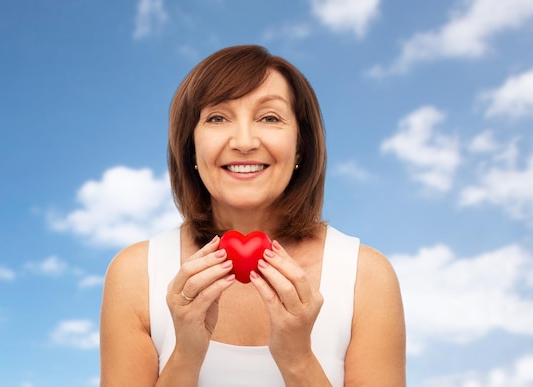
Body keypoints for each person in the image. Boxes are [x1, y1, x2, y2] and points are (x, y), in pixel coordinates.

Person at [100, 45, 406, 386]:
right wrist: (186, 353)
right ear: (191, 147)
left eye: (270, 118)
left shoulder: (366, 276)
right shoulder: (135, 275)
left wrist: (297, 357)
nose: (244, 142)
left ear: (300, 146)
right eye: (217, 117)